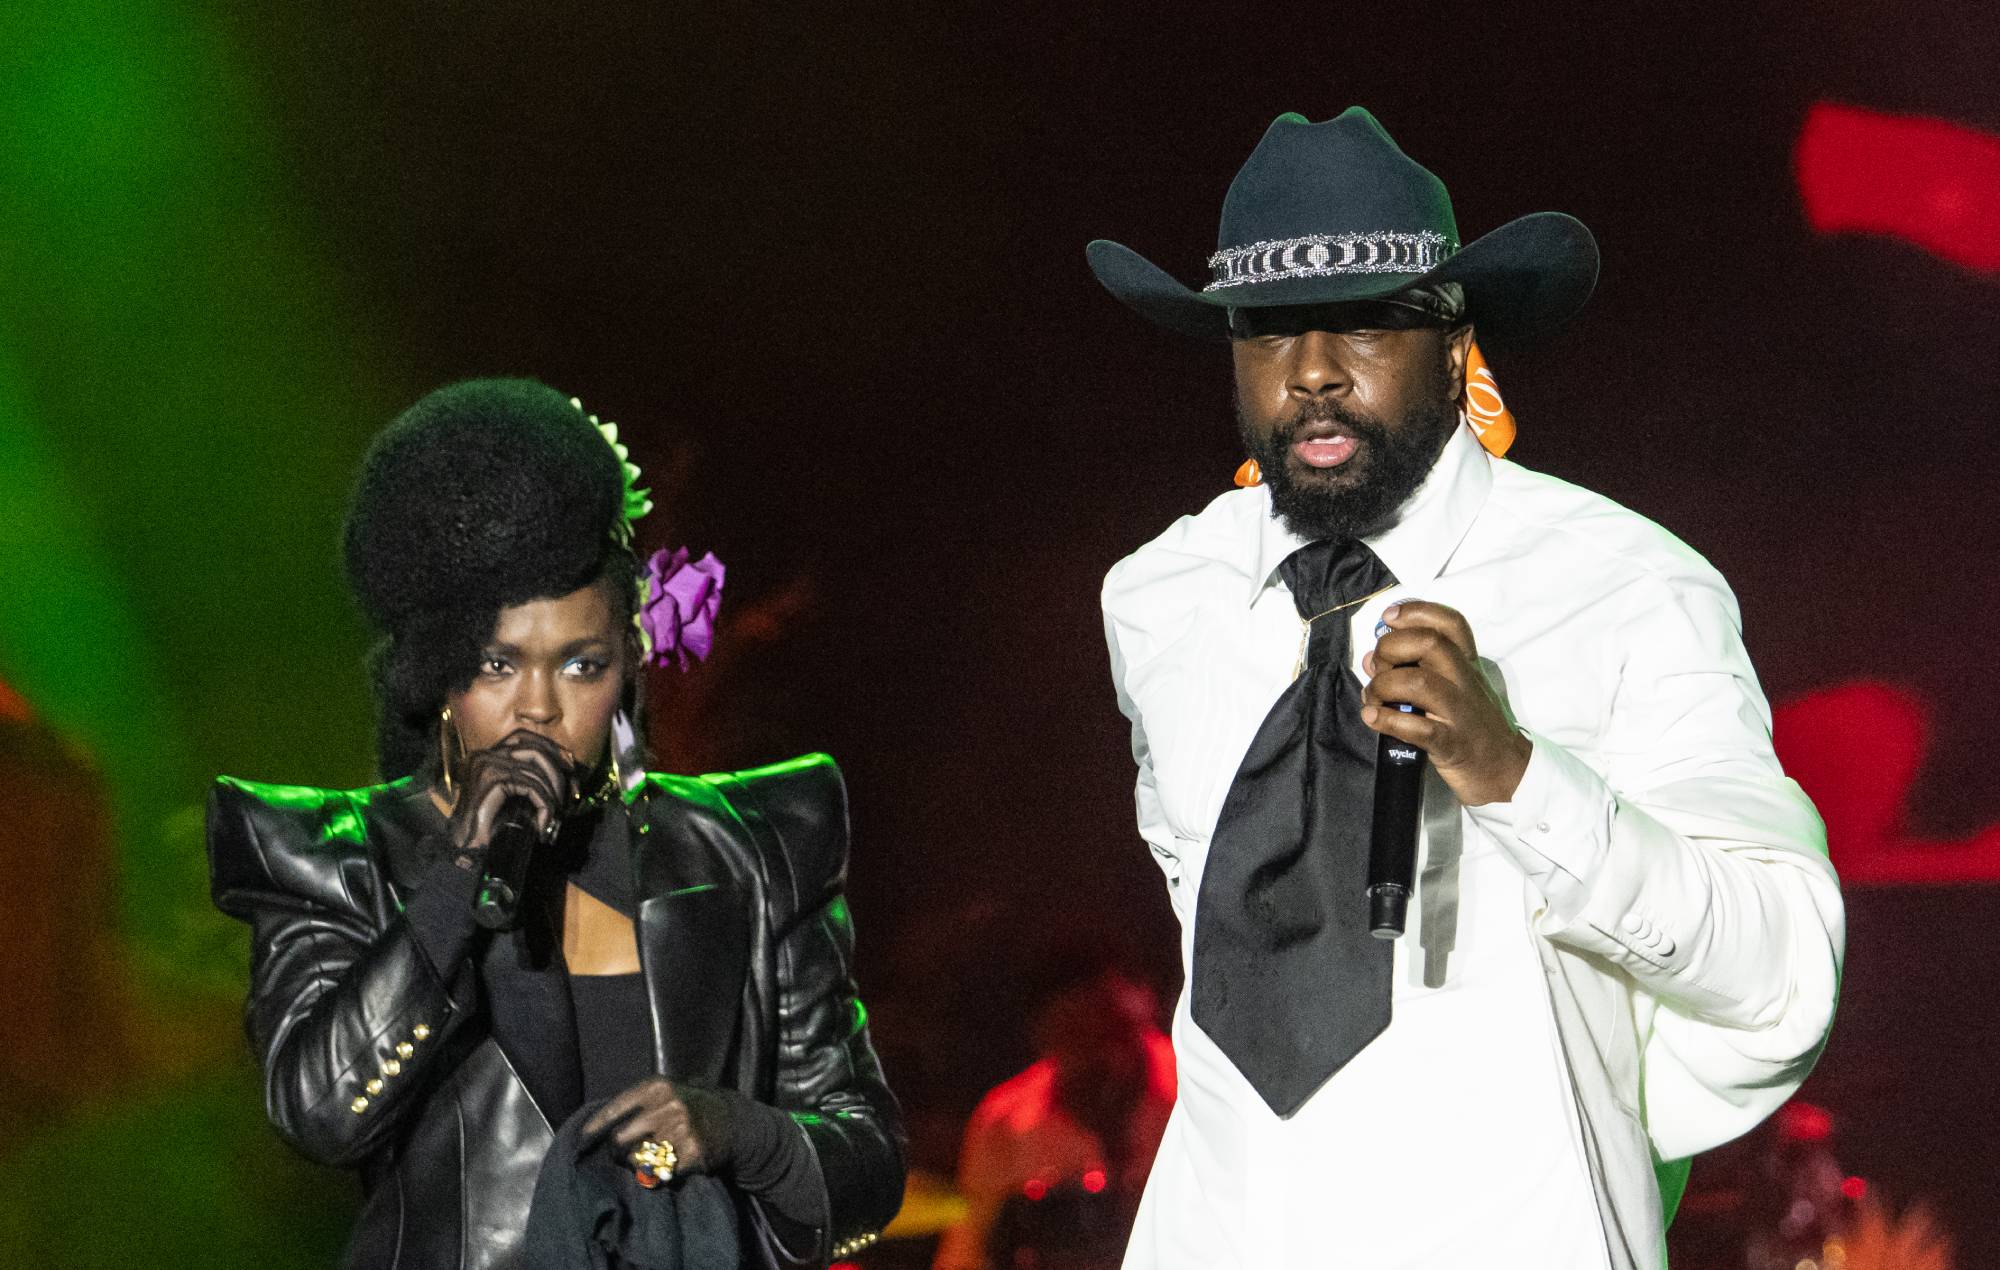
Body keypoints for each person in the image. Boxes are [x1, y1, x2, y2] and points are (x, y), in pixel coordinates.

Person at [1086, 109, 1844, 1269]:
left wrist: (1519, 779)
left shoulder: (1626, 584)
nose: (1314, 374)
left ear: (1453, 343)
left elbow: (1779, 966)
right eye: (1269, 330)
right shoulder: (1160, 600)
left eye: (1368, 324)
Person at [206, 379, 904, 1269]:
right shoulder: (337, 857)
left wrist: (741, 1132)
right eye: (498, 664)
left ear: (628, 665)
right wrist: (457, 884)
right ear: (440, 679)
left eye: (581, 664)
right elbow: (319, 1111)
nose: (538, 706)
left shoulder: (756, 847)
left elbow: (869, 1161)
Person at [932, 948, 1175, 1270]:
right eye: (1081, 1038)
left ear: (1144, 1006)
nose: (1106, 1058)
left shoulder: (1201, 1088)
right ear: (1047, 1037)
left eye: (1114, 1030)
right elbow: (964, 1256)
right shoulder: (1005, 1122)